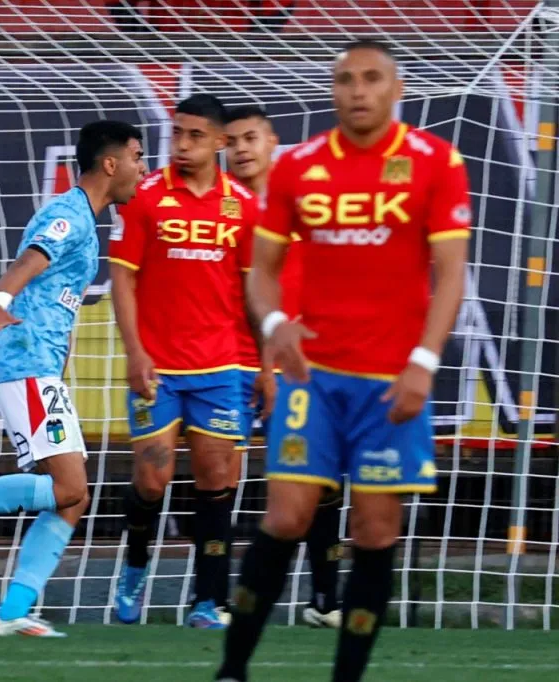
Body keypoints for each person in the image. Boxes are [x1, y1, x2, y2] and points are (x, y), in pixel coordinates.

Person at [216, 39, 470, 682]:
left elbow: (451, 273)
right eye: (347, 79)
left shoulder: (435, 162)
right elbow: (263, 271)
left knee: (375, 533)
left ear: (397, 89)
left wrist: (423, 361)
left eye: (372, 78)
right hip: (314, 378)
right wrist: (274, 325)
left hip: (390, 382)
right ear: (332, 90)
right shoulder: (299, 167)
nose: (358, 90)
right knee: (286, 517)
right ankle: (232, 669)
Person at [0, 120, 146, 638]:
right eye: (137, 156)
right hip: (24, 361)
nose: (142, 168)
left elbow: (57, 296)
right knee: (70, 488)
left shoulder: (86, 219)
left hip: (40, 367)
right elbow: (29, 262)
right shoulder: (68, 214)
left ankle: (14, 610)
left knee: (73, 498)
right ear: (110, 163)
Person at [109, 94, 264, 629]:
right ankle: (134, 566)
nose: (182, 144)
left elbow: (255, 294)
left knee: (216, 479)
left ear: (220, 142)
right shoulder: (146, 197)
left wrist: (266, 364)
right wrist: (135, 352)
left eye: (195, 135)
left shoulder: (244, 206)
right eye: (177, 133)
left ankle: (208, 600)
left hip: (222, 367)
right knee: (152, 480)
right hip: (158, 367)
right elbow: (122, 279)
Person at [225, 105, 343, 629]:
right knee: (220, 482)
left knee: (315, 480)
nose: (241, 149)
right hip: (231, 363)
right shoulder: (222, 208)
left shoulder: (305, 204)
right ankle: (213, 600)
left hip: (300, 364)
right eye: (232, 141)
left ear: (273, 141)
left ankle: (325, 600)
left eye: (250, 138)